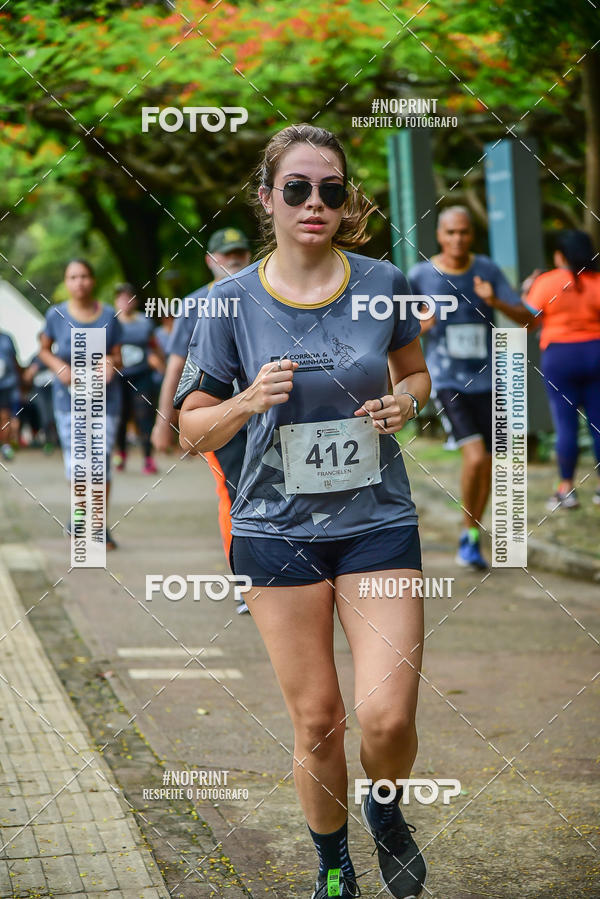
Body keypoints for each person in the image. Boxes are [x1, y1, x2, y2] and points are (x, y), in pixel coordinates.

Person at [177, 124, 431, 899]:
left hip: (377, 522)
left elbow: (415, 376)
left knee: (385, 718)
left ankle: (385, 809)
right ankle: (333, 863)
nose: (314, 203)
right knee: (319, 719)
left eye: (329, 189)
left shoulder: (386, 282)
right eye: (296, 189)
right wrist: (248, 400)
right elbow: (191, 427)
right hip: (273, 531)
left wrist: (403, 404)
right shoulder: (226, 303)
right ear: (268, 199)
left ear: (345, 199)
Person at [408, 206, 531, 570]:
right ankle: (468, 533)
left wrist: (493, 301)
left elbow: (529, 320)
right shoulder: (420, 276)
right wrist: (421, 326)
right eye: (451, 233)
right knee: (475, 457)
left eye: (464, 232)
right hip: (447, 380)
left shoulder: (487, 270)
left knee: (489, 463)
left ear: (471, 235)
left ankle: (471, 534)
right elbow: (398, 332)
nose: (457, 239)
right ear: (440, 236)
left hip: (489, 379)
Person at [152, 228, 251, 566]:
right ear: (210, 261)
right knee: (233, 491)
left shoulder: (267, 297)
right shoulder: (194, 304)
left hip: (269, 412)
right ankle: (243, 576)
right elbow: (176, 367)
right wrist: (166, 422)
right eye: (226, 254)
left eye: (240, 252)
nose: (233, 259)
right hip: (219, 414)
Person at [38, 259, 122, 549]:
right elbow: (43, 350)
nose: (80, 282)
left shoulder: (110, 315)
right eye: (73, 277)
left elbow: (118, 354)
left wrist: (111, 363)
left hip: (104, 401)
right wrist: (59, 368)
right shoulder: (55, 315)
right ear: (66, 281)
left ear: (93, 280)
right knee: (77, 464)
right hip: (68, 402)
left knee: (100, 463)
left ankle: (98, 525)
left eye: (85, 275)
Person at [522, 230, 600, 509]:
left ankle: (566, 489)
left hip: (559, 357)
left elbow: (528, 320)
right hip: (596, 353)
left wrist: (525, 289)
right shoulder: (597, 281)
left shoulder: (546, 282)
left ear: (560, 255)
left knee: (565, 425)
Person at [113, 283, 164, 475]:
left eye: (129, 298)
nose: (125, 302)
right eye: (121, 298)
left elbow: (154, 345)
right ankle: (121, 454)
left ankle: (148, 458)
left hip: (142, 375)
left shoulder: (144, 322)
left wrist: (161, 363)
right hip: (118, 378)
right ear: (116, 300)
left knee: (144, 415)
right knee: (121, 417)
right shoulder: (111, 322)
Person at [0, 329, 21, 460]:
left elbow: (15, 361)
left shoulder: (7, 338)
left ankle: (6, 446)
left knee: (7, 417)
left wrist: (22, 379)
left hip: (9, 385)